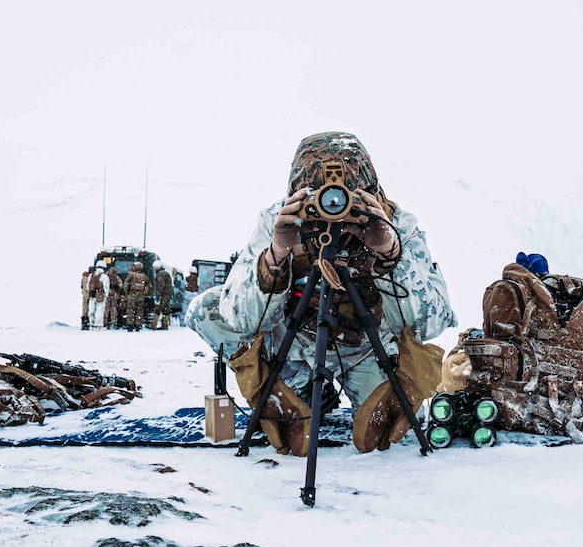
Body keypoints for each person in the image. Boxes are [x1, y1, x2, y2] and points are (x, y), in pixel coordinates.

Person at [186, 131, 456, 454]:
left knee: (388, 431)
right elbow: (241, 318)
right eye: (321, 198)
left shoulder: (396, 223)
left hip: (369, 348)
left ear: (370, 193)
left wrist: (390, 253)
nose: (334, 208)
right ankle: (286, 389)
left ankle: (377, 387)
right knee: (205, 310)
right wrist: (276, 256)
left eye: (346, 196)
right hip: (297, 343)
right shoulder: (279, 219)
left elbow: (435, 320)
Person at [122, 261, 151, 332]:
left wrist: (127, 293)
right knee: (139, 311)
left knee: (130, 311)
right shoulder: (144, 276)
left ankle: (130, 326)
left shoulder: (131, 275)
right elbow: (148, 286)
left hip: (132, 295)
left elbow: (126, 284)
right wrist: (144, 293)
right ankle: (138, 325)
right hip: (141, 296)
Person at [152, 262, 173, 330]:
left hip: (162, 294)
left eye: (155, 267)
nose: (154, 268)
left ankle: (153, 325)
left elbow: (160, 285)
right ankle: (165, 325)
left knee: (158, 309)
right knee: (165, 309)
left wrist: (158, 295)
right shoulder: (166, 273)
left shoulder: (160, 274)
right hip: (167, 294)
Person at [88, 263, 108, 329]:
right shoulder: (104, 276)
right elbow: (106, 287)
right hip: (100, 294)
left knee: (91, 310)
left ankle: (91, 324)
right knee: (100, 310)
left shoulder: (91, 275)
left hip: (92, 294)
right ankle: (98, 324)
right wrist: (105, 295)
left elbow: (87, 286)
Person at [80, 266, 94, 330]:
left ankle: (84, 323)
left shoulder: (84, 278)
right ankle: (87, 322)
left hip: (84, 295)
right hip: (88, 295)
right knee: (88, 308)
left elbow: (82, 286)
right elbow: (88, 287)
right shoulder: (89, 278)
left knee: (85, 308)